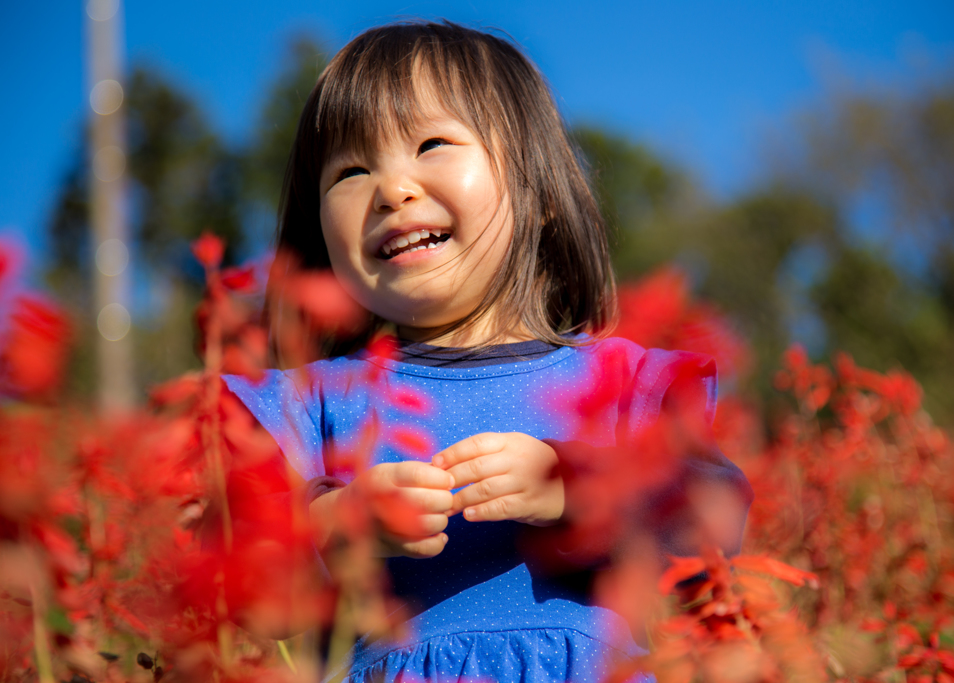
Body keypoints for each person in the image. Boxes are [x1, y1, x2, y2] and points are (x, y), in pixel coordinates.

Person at [223, 20, 753, 683]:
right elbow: (230, 559)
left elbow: (718, 520)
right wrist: (339, 520)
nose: (392, 189)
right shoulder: (309, 402)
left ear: (538, 195)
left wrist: (578, 487)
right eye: (352, 170)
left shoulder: (624, 382)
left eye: (432, 144)